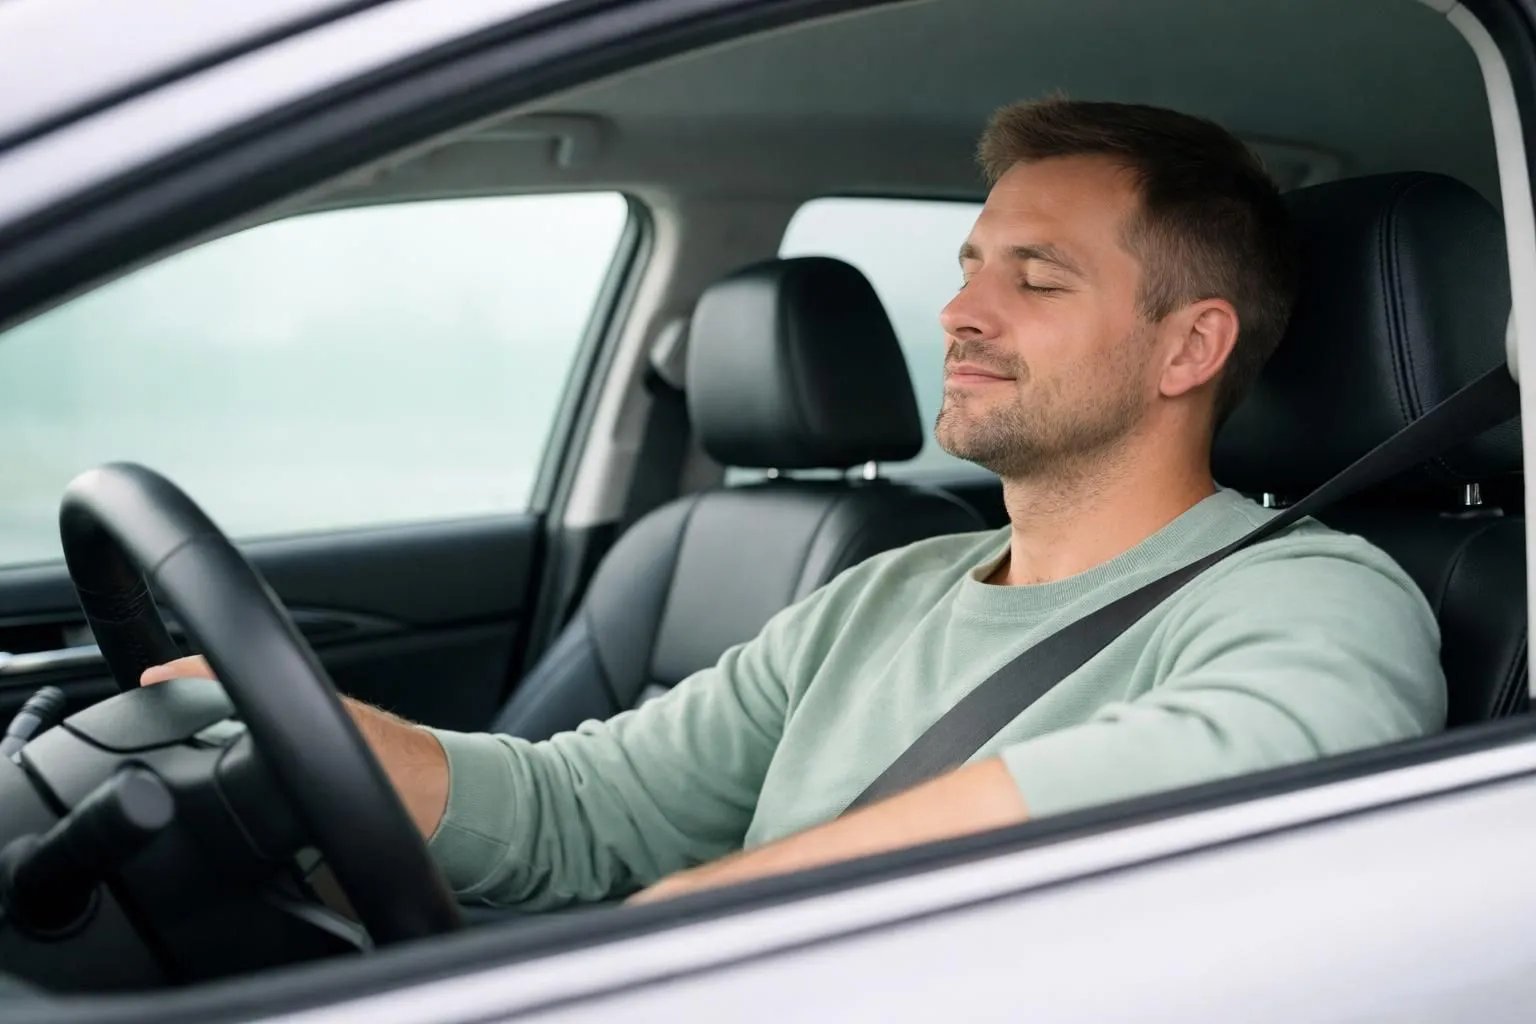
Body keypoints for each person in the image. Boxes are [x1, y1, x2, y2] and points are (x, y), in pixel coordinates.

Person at [143, 98, 1445, 909]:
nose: (958, 313)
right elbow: (575, 812)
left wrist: (704, 930)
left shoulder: (1312, 590)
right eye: (969, 265)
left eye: (1036, 279)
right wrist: (292, 722)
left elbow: (1274, 763)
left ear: (1188, 349)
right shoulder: (886, 592)